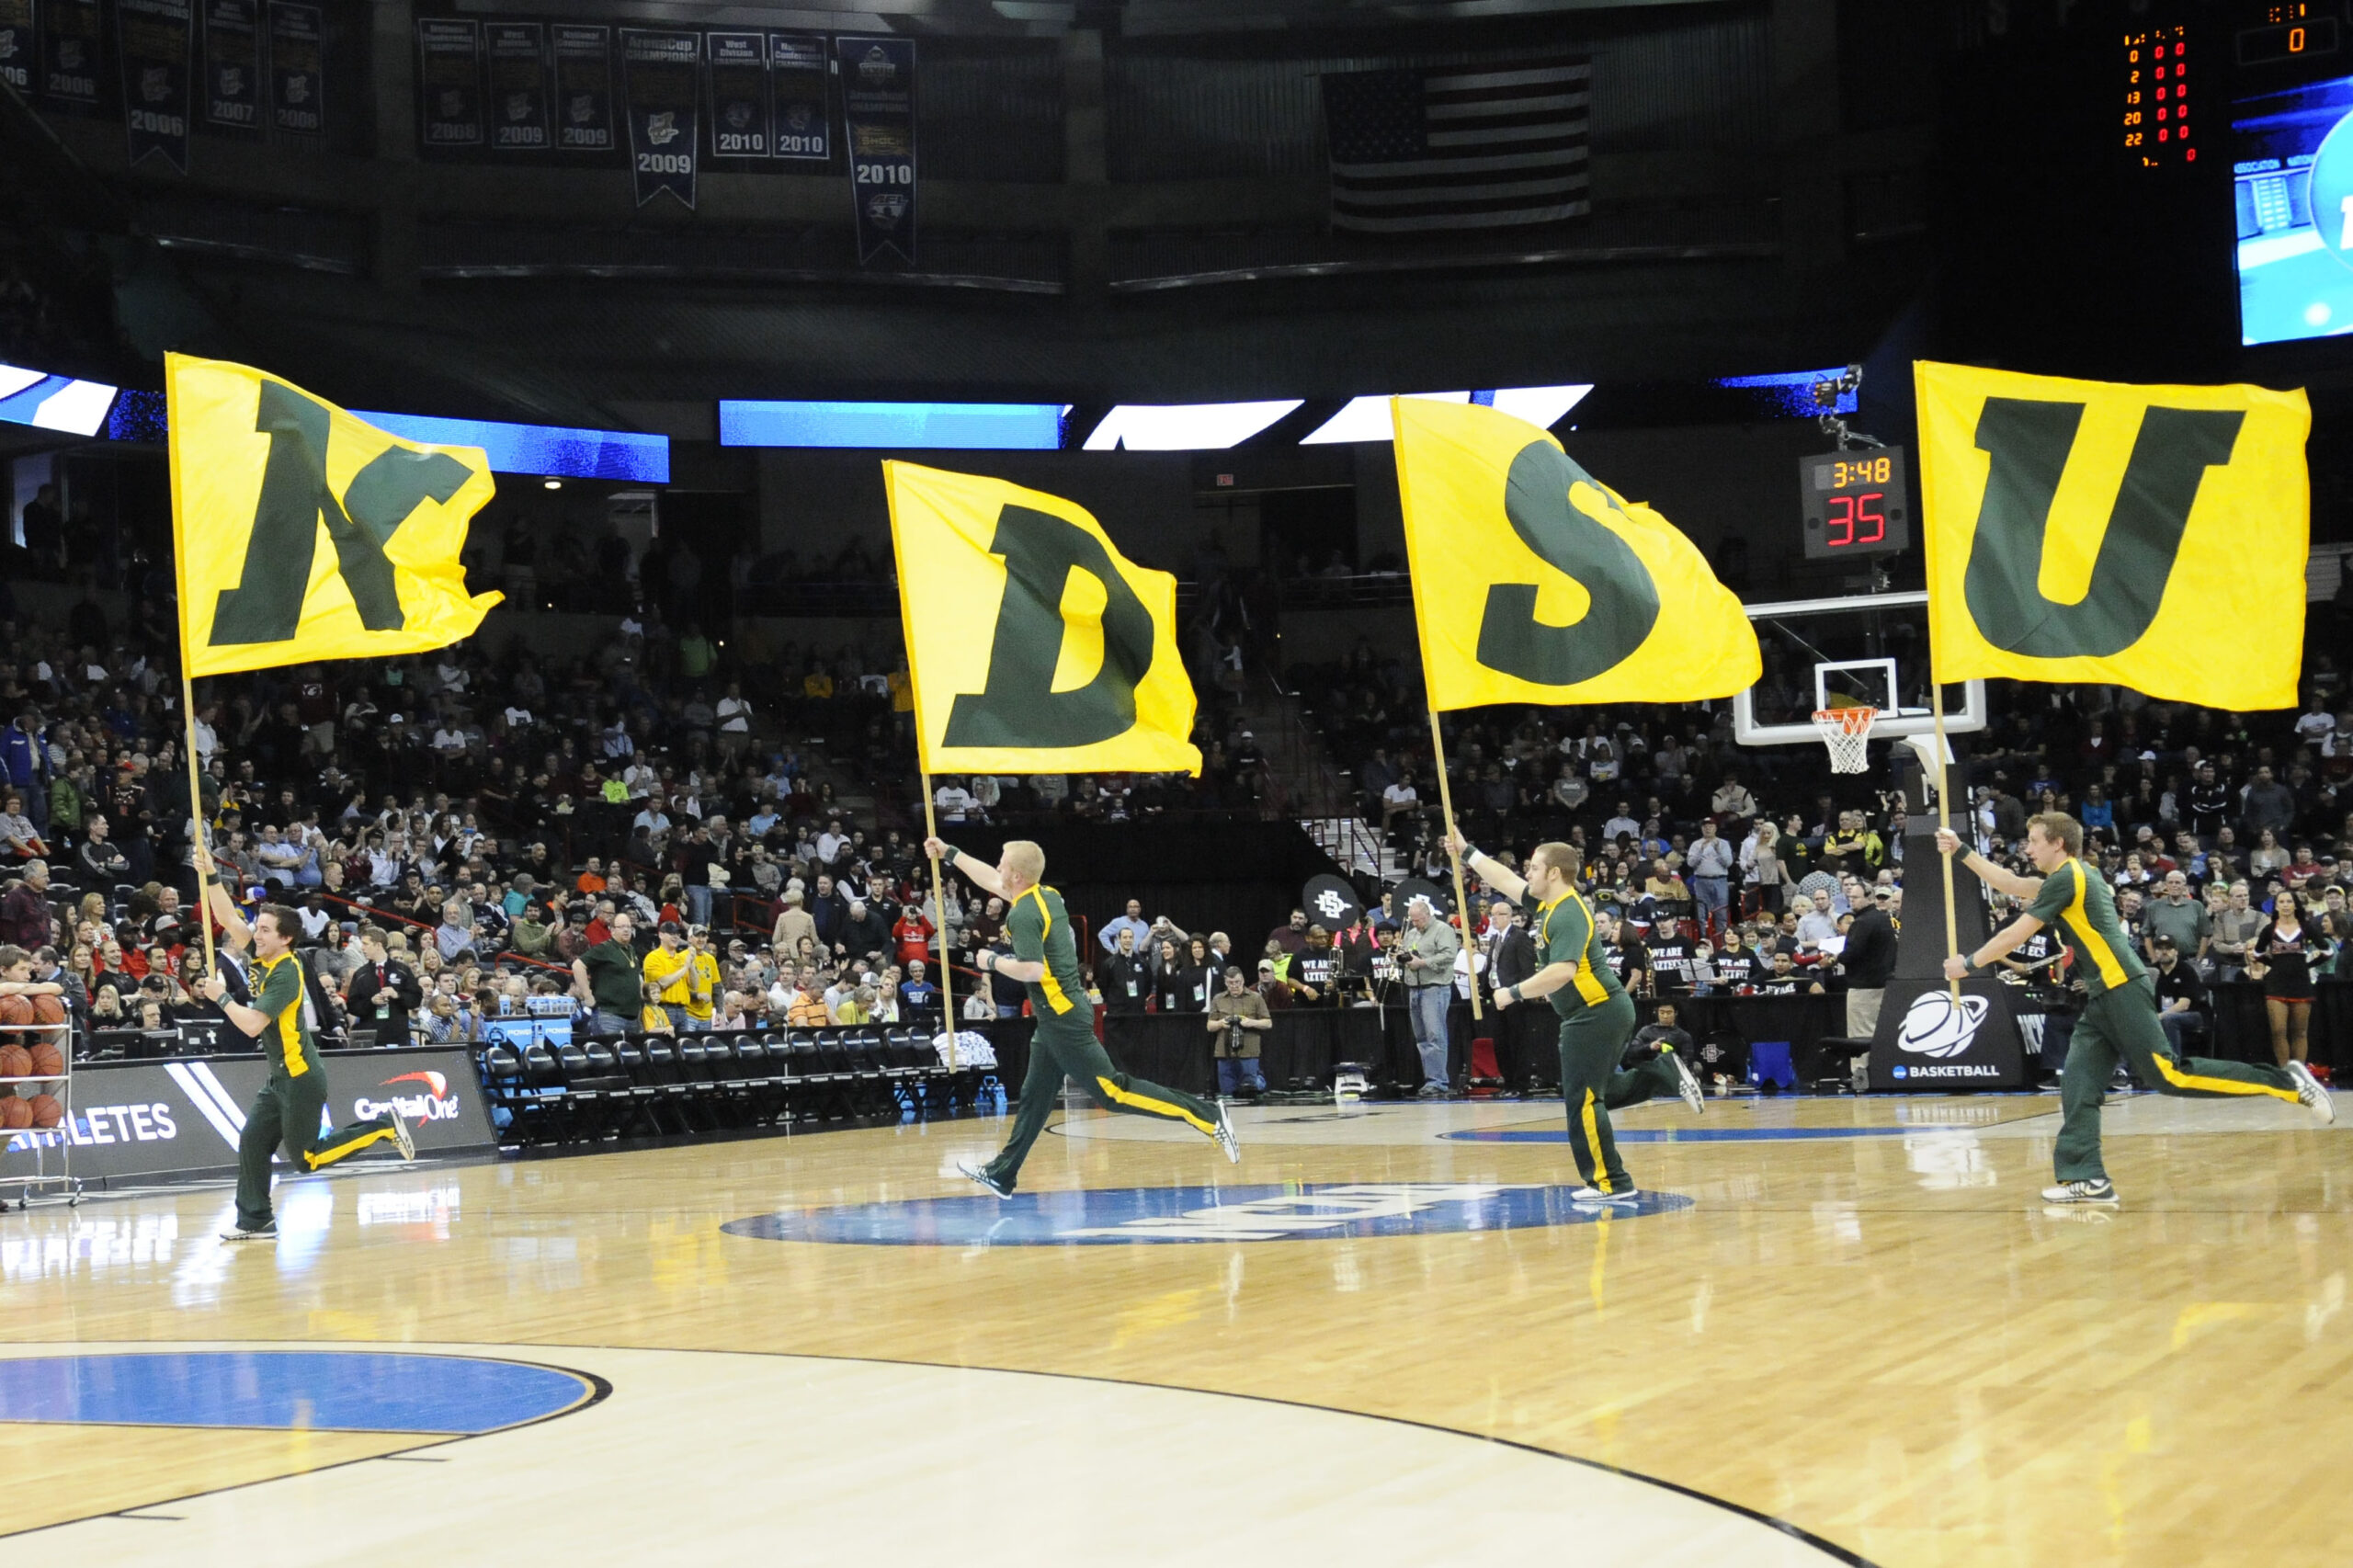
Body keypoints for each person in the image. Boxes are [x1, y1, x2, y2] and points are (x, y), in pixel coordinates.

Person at [1937, 817, 2329, 1207]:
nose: (2028, 847)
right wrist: (1961, 851)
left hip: (2121, 987)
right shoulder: (2068, 877)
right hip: (2101, 997)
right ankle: (2086, 1178)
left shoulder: (2070, 876)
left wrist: (1968, 964)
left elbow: (2015, 933)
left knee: (2169, 1075)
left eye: (2034, 840)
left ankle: (2288, 1083)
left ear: (2057, 843)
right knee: (2078, 1084)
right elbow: (2011, 883)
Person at [926, 835, 1236, 1196]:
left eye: (1003, 862)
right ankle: (1002, 1173)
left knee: (1113, 1092)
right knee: (1035, 1095)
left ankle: (1208, 1116)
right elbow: (990, 880)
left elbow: (1033, 970)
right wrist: (949, 852)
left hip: (1061, 1016)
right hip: (1056, 1015)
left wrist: (991, 961)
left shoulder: (1024, 912)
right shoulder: (1046, 896)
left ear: (1017, 876)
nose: (997, 867)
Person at [1450, 828, 1645, 1203]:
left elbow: (1563, 972)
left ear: (1554, 873)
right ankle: (1662, 1075)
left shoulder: (1568, 913)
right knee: (1595, 1093)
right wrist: (1466, 850)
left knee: (1583, 1100)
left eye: (1535, 868)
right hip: (1592, 1012)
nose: (1528, 875)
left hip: (1595, 1012)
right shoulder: (1548, 905)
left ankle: (1611, 1183)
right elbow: (1503, 879)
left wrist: (1512, 992)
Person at [200, 904, 415, 1241]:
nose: (256, 934)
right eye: (257, 929)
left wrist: (222, 997)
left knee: (307, 1159)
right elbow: (228, 918)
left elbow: (253, 1025)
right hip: (279, 1077)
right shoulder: (263, 955)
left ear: (285, 939)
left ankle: (382, 1126)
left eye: (265, 930)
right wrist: (209, 869)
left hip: (300, 1077)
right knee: (253, 1142)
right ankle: (256, 1219)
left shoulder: (286, 972)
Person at [2248, 894, 2325, 1070]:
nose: (2285, 905)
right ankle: (2285, 1072)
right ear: (2275, 907)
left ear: (2295, 905)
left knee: (2299, 1032)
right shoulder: (2269, 929)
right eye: (2281, 902)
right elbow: (2258, 954)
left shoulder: (2306, 927)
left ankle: (2299, 1072)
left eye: (2289, 901)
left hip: (2301, 984)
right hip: (2276, 984)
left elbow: (2327, 952)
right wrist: (2275, 965)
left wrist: (2308, 965)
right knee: (2278, 1031)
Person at [1397, 897, 1460, 1096]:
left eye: (1418, 920)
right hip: (1414, 987)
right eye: (1412, 920)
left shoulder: (1443, 930)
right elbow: (1408, 954)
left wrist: (1422, 963)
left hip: (1435, 987)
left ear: (1427, 915)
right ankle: (1429, 1079)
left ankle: (1439, 1081)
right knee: (1421, 1036)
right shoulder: (1411, 933)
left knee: (1435, 1034)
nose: (1415, 924)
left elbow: (1449, 956)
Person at [1614, 1001, 1707, 1114]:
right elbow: (1631, 1052)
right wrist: (1649, 1047)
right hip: (1648, 1072)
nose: (1665, 1016)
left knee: (1697, 1067)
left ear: (1675, 1013)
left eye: (1669, 1012)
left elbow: (1687, 1060)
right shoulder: (1645, 1031)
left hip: (1673, 1073)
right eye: (1662, 1012)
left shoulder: (1683, 1036)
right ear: (1656, 1013)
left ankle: (1686, 1088)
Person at [342, 925, 422, 1046]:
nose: (362, 948)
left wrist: (397, 995)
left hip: (398, 1035)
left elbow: (416, 999)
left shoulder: (402, 970)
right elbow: (352, 1006)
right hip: (371, 1036)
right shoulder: (360, 974)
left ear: (378, 945)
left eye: (365, 944)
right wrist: (371, 1001)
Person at [1840, 886, 1900, 1037]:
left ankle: (1862, 1062)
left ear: (1869, 898)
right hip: (1883, 985)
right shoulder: (1882, 919)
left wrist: (1836, 957)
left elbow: (1852, 953)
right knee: (1880, 1034)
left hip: (1863, 988)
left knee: (1861, 1035)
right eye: (1850, 898)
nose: (1851, 901)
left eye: (1855, 898)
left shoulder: (1862, 923)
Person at [1206, 964, 1272, 1097]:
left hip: (1248, 1051)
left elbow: (1268, 1023)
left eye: (1237, 982)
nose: (1234, 986)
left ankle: (1260, 1083)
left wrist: (1250, 1022)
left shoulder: (1255, 998)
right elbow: (1209, 1026)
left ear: (1243, 981)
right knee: (1227, 1093)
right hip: (1224, 1053)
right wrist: (1221, 1023)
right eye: (1230, 983)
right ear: (1225, 982)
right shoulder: (1218, 999)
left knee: (1250, 1089)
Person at [573, 911, 642, 1034]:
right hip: (609, 1016)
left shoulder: (631, 949)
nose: (626, 930)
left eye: (628, 927)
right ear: (612, 930)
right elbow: (578, 965)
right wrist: (588, 996)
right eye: (621, 927)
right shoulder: (604, 948)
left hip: (633, 1017)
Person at [2148, 936, 2211, 1058]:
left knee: (2169, 1020)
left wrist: (2158, 1017)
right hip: (2161, 1014)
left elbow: (2184, 1004)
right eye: (2160, 948)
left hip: (2193, 1014)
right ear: (2155, 951)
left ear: (2176, 951)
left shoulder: (2186, 970)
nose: (2164, 952)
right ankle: (2126, 1067)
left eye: (2168, 948)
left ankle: (2175, 1062)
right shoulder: (2153, 971)